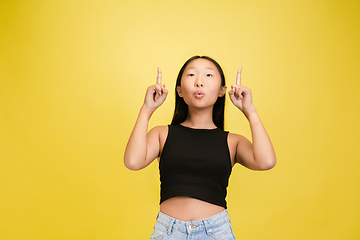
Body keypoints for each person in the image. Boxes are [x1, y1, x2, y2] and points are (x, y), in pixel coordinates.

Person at [124, 55, 276, 239]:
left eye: (208, 75)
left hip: (216, 232)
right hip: (168, 232)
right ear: (179, 91)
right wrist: (147, 109)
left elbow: (266, 161)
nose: (199, 82)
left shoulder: (232, 142)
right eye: (191, 75)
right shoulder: (161, 134)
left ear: (222, 91)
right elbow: (132, 162)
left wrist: (250, 110)